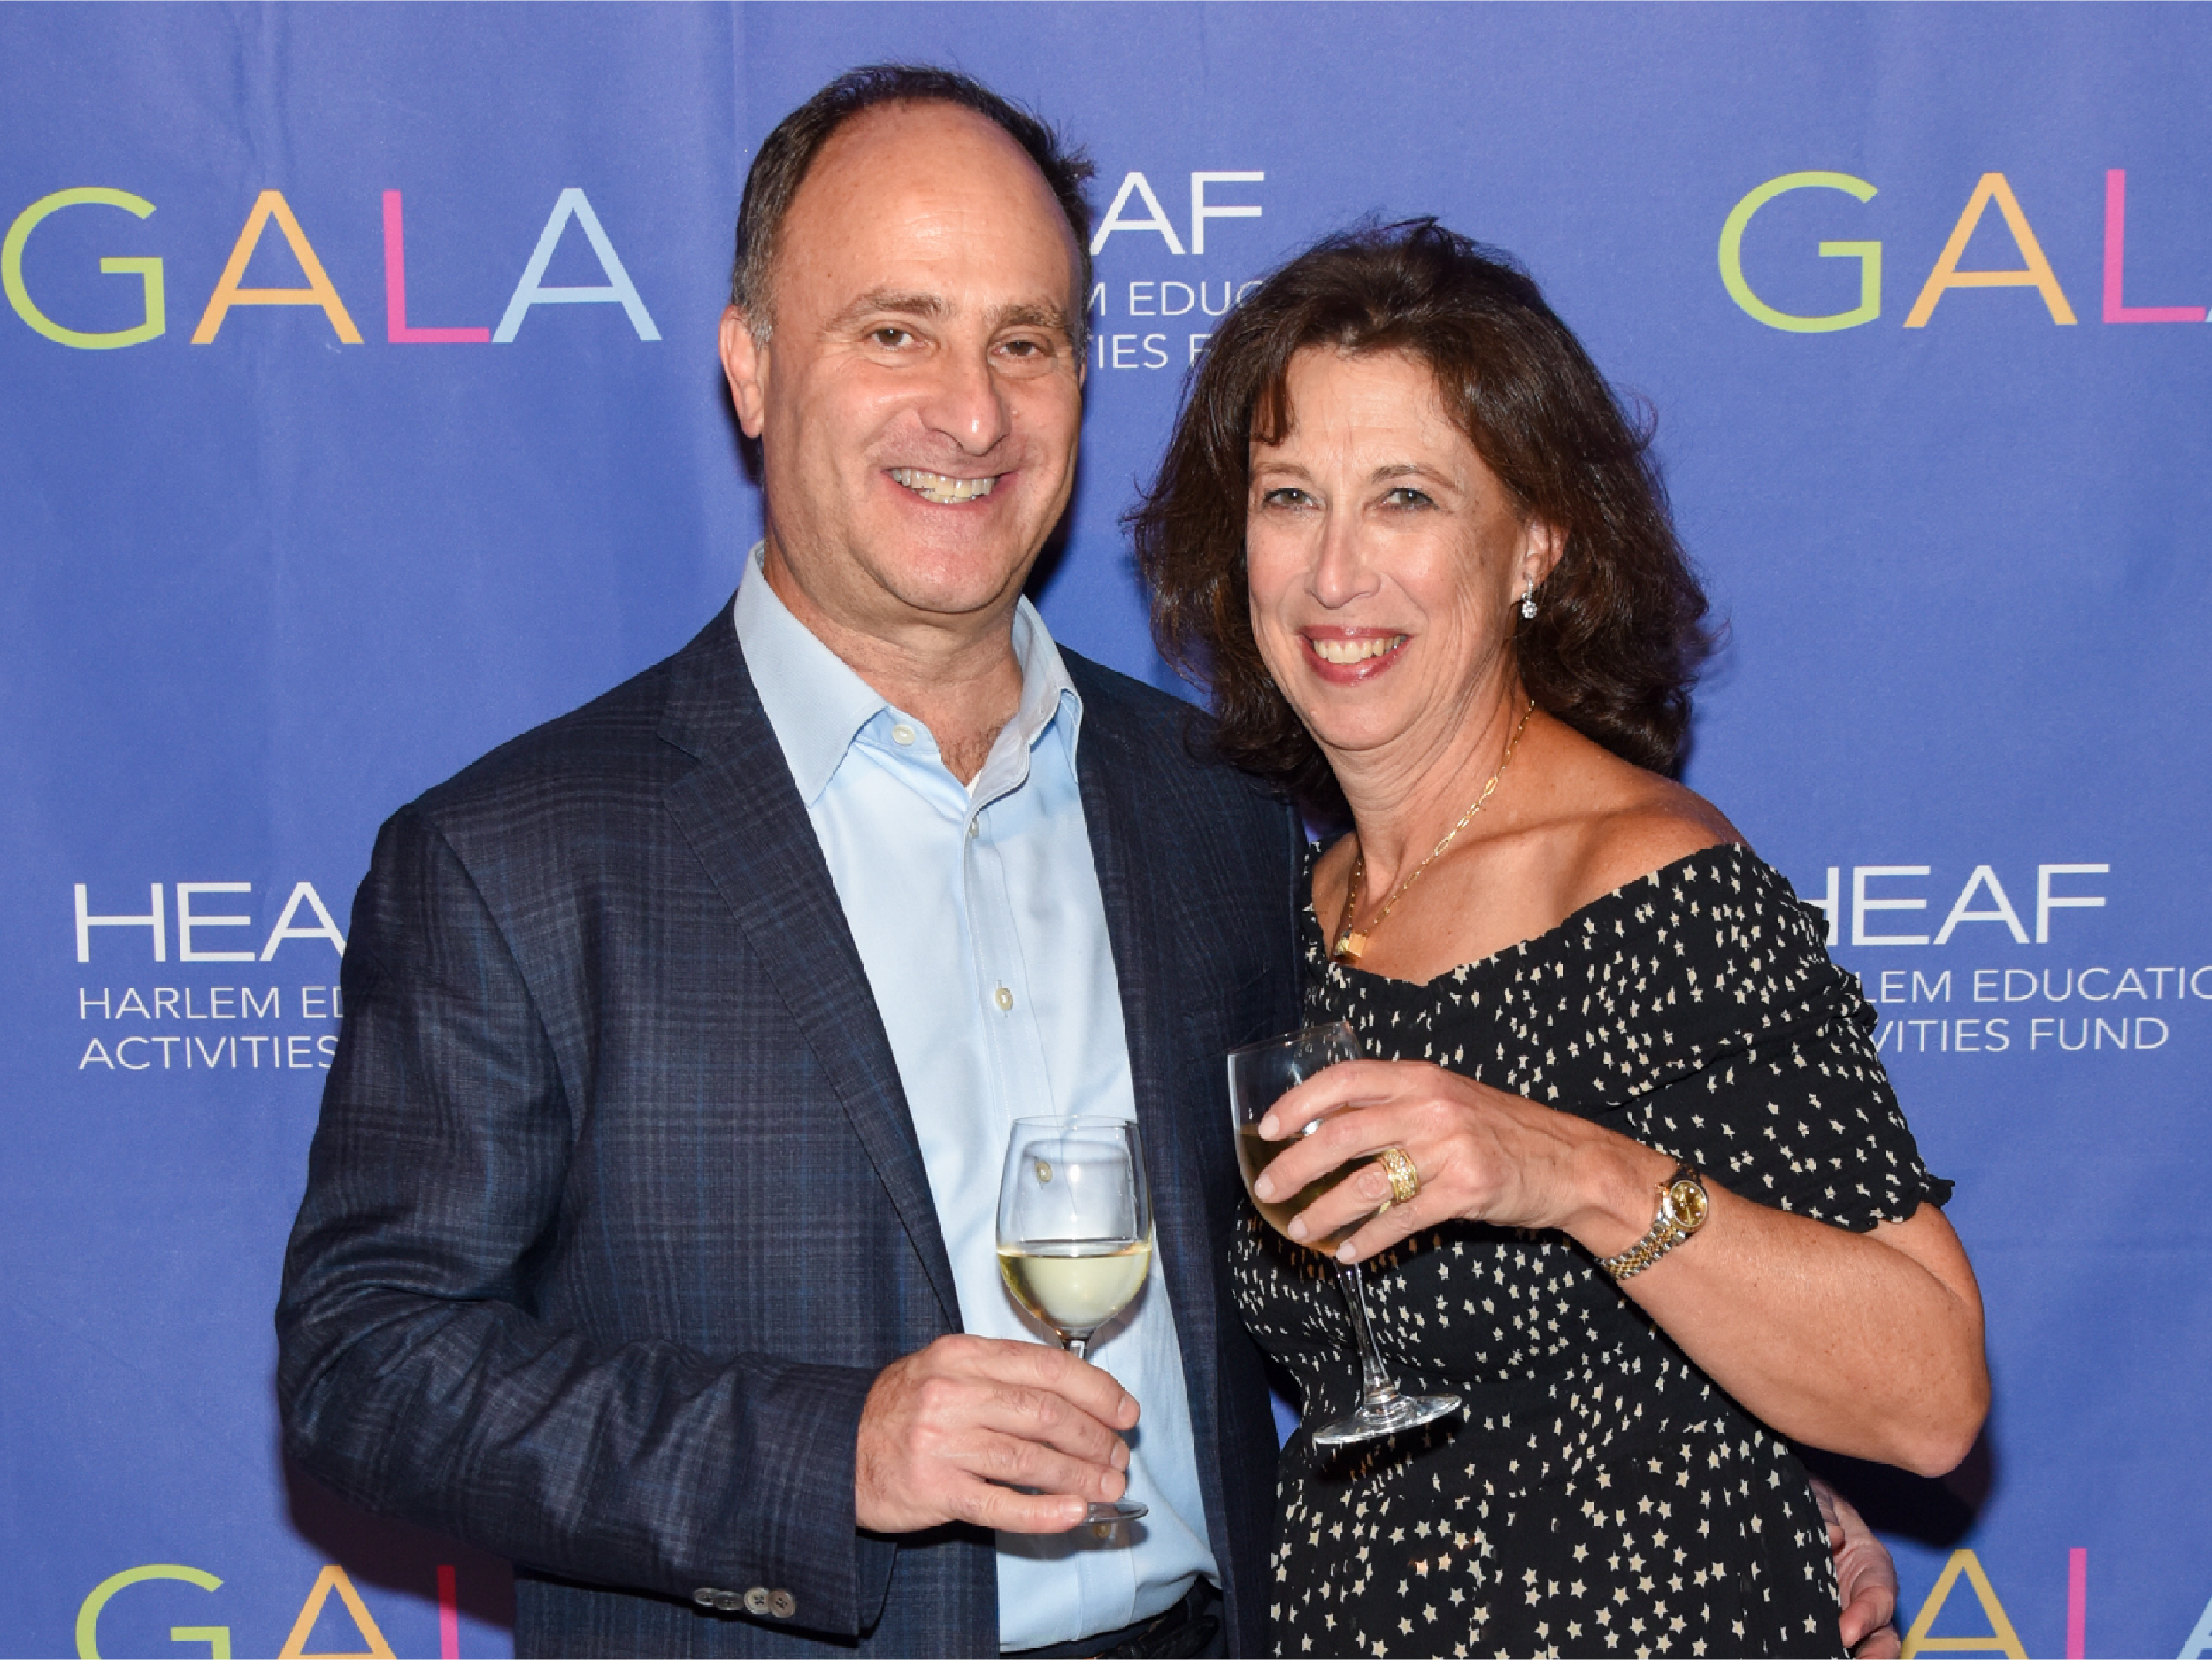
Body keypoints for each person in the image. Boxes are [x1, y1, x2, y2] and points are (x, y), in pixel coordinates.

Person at [276, 66, 1301, 1657]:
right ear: (751, 368)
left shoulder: (1217, 803)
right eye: (895, 332)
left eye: (1025, 341)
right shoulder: (515, 858)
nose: (973, 413)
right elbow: (368, 1362)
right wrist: (832, 1456)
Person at [1134, 219, 1986, 1657]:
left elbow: (1932, 1393)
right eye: (1290, 498)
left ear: (1536, 539)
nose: (1335, 574)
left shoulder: (1650, 884)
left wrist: (1566, 1171)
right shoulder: (1292, 906)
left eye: (1405, 498)